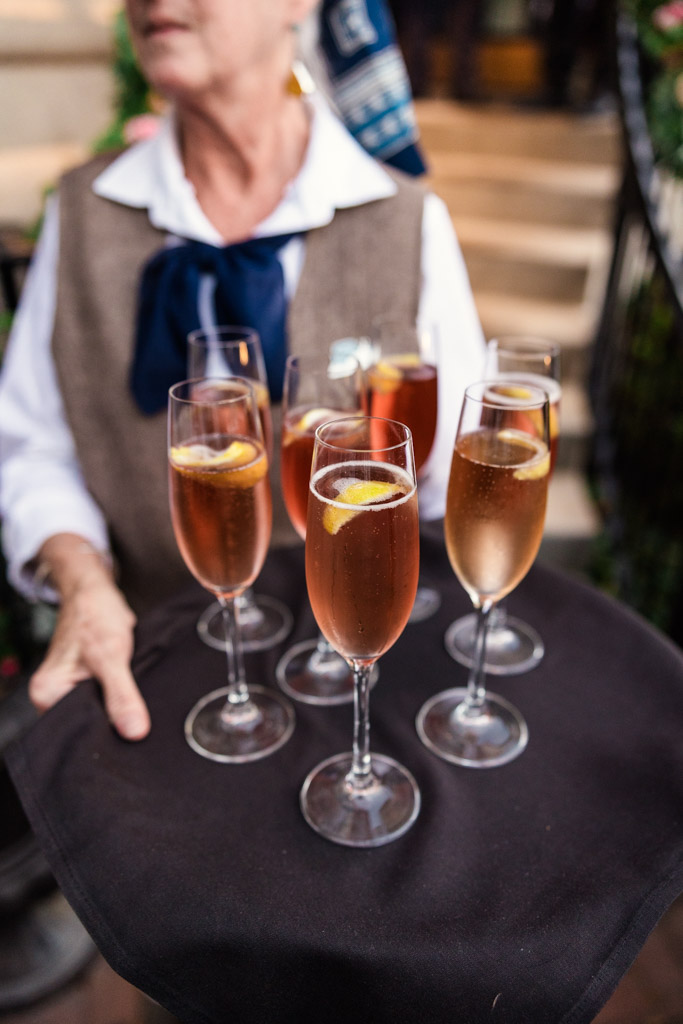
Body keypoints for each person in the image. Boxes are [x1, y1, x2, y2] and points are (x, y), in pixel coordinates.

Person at [0, 0, 484, 743]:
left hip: (355, 689)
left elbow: (456, 485)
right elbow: (30, 448)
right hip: (155, 682)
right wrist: (82, 579)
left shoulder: (408, 222)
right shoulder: (82, 210)